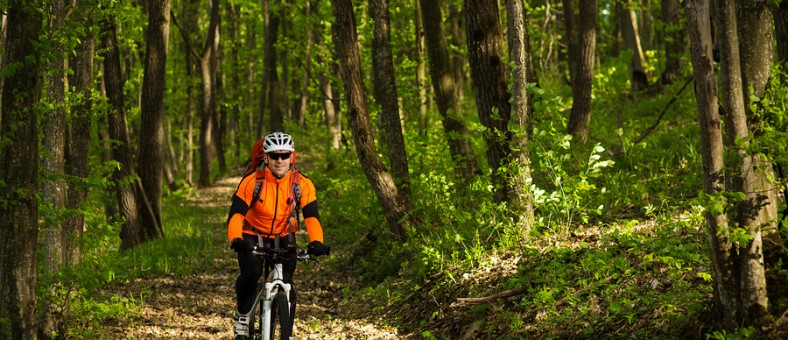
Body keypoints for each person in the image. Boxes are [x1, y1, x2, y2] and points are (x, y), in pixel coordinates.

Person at [227, 132, 328, 338]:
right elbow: (236, 214)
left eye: (284, 155)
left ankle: (286, 332)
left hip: (283, 234)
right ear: (266, 158)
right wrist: (236, 238)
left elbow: (311, 217)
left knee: (287, 282)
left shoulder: (302, 184)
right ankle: (243, 317)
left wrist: (317, 241)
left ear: (292, 157)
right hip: (251, 233)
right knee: (252, 273)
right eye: (274, 156)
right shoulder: (252, 181)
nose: (279, 160)